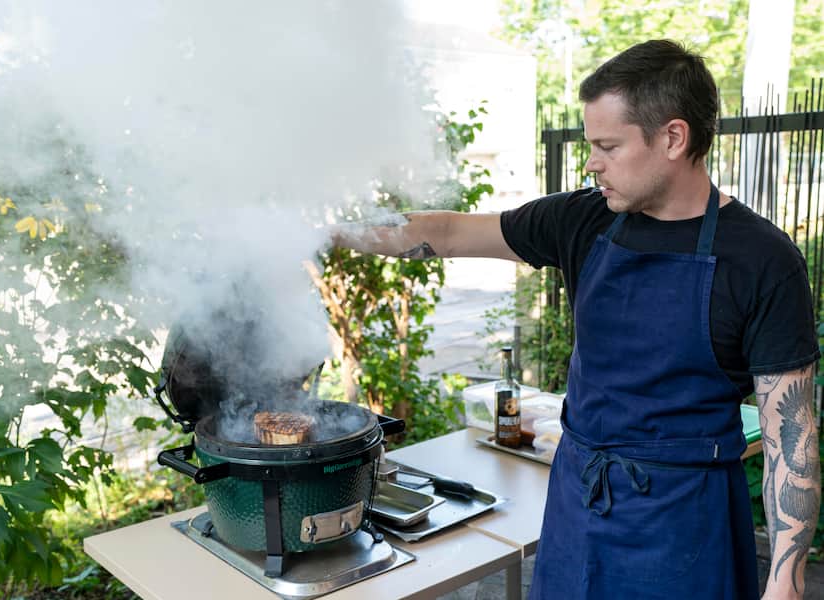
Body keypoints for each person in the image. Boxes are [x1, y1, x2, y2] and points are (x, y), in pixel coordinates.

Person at [331, 40, 821, 599]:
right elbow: (443, 233)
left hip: (686, 523)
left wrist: (786, 581)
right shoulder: (582, 221)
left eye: (608, 146)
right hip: (578, 505)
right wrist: (322, 231)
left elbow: (793, 440)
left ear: (673, 138)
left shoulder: (761, 258)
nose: (592, 163)